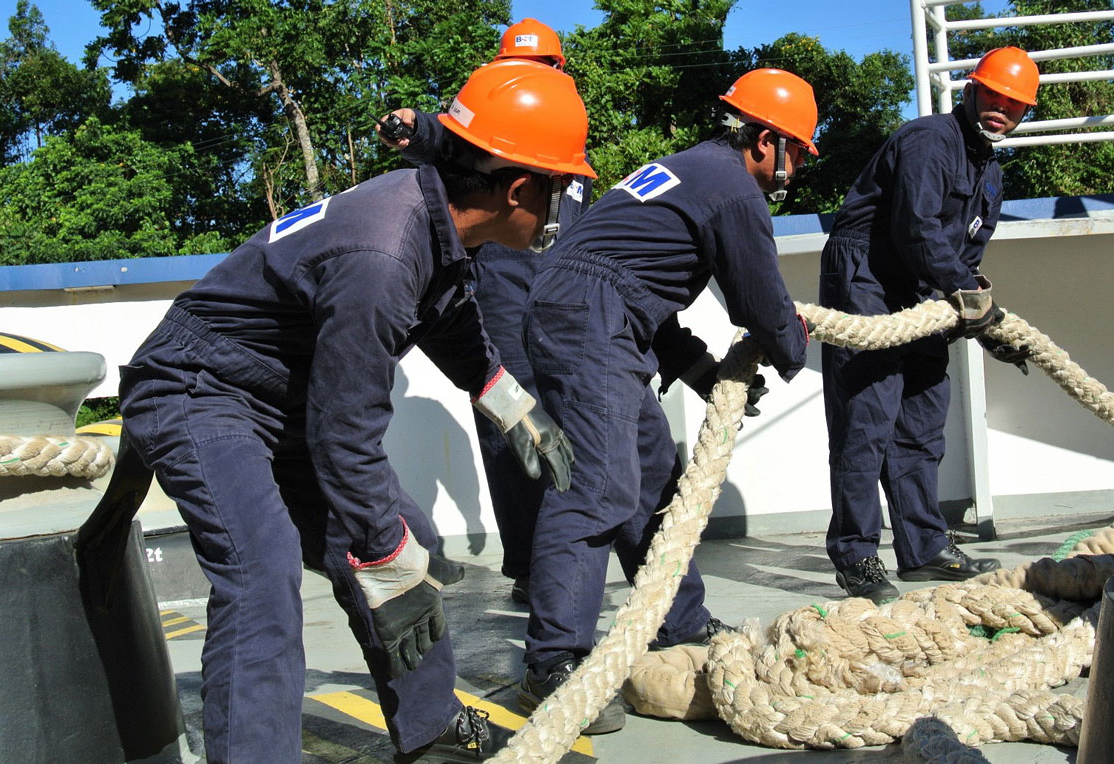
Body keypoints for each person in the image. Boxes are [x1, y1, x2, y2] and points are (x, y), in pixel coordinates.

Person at [117, 59, 595, 764]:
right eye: (560, 188)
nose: (563, 206)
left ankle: (429, 730)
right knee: (263, 571)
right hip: (200, 389)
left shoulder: (430, 212)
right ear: (518, 189)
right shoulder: (381, 250)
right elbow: (344, 436)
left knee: (414, 542)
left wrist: (508, 401)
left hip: (283, 398)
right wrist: (378, 560)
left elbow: (450, 317)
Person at [515, 68, 818, 734]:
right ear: (765, 139)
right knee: (598, 488)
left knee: (652, 477)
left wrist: (705, 373)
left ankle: (676, 623)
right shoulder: (735, 190)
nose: (791, 168)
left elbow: (634, 285)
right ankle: (553, 664)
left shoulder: (688, 170)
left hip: (594, 311)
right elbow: (761, 302)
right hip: (590, 317)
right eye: (795, 151)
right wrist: (797, 345)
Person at [379, 18, 591, 606]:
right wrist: (413, 127)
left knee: (567, 418)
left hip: (559, 289)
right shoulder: (494, 126)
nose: (533, 79)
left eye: (543, 69)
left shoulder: (566, 134)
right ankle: (528, 565)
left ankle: (570, 551)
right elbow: (443, 144)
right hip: (496, 287)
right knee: (509, 418)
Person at [819, 47, 1040, 605]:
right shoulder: (929, 140)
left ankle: (923, 548)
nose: (1000, 110)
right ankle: (857, 556)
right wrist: (967, 299)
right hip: (866, 274)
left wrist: (990, 325)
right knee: (865, 421)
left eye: (1014, 105)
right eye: (993, 95)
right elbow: (915, 228)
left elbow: (964, 258)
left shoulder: (990, 172)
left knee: (922, 421)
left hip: (923, 289)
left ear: (1024, 115)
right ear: (970, 90)